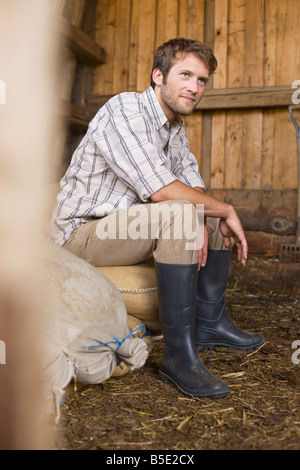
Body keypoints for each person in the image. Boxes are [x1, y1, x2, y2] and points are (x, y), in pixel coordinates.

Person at [49, 38, 264, 399]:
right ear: (158, 75)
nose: (194, 87)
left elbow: (193, 188)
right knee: (196, 210)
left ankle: (209, 324)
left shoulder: (175, 131)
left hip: (124, 229)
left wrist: (210, 215)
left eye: (202, 80)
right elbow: (162, 191)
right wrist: (224, 209)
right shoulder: (125, 110)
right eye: (185, 75)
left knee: (208, 214)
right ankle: (178, 359)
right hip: (80, 235)